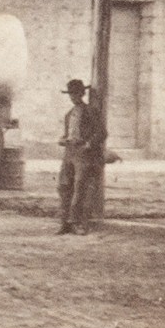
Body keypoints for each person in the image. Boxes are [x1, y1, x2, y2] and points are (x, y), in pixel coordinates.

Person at [57, 79, 107, 234]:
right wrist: (62, 139)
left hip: (83, 155)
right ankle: (65, 223)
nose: (73, 97)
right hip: (69, 153)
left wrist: (89, 144)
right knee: (64, 186)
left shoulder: (91, 111)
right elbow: (67, 134)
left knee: (80, 187)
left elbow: (102, 133)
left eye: (76, 93)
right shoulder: (68, 115)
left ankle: (77, 223)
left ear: (82, 94)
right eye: (71, 94)